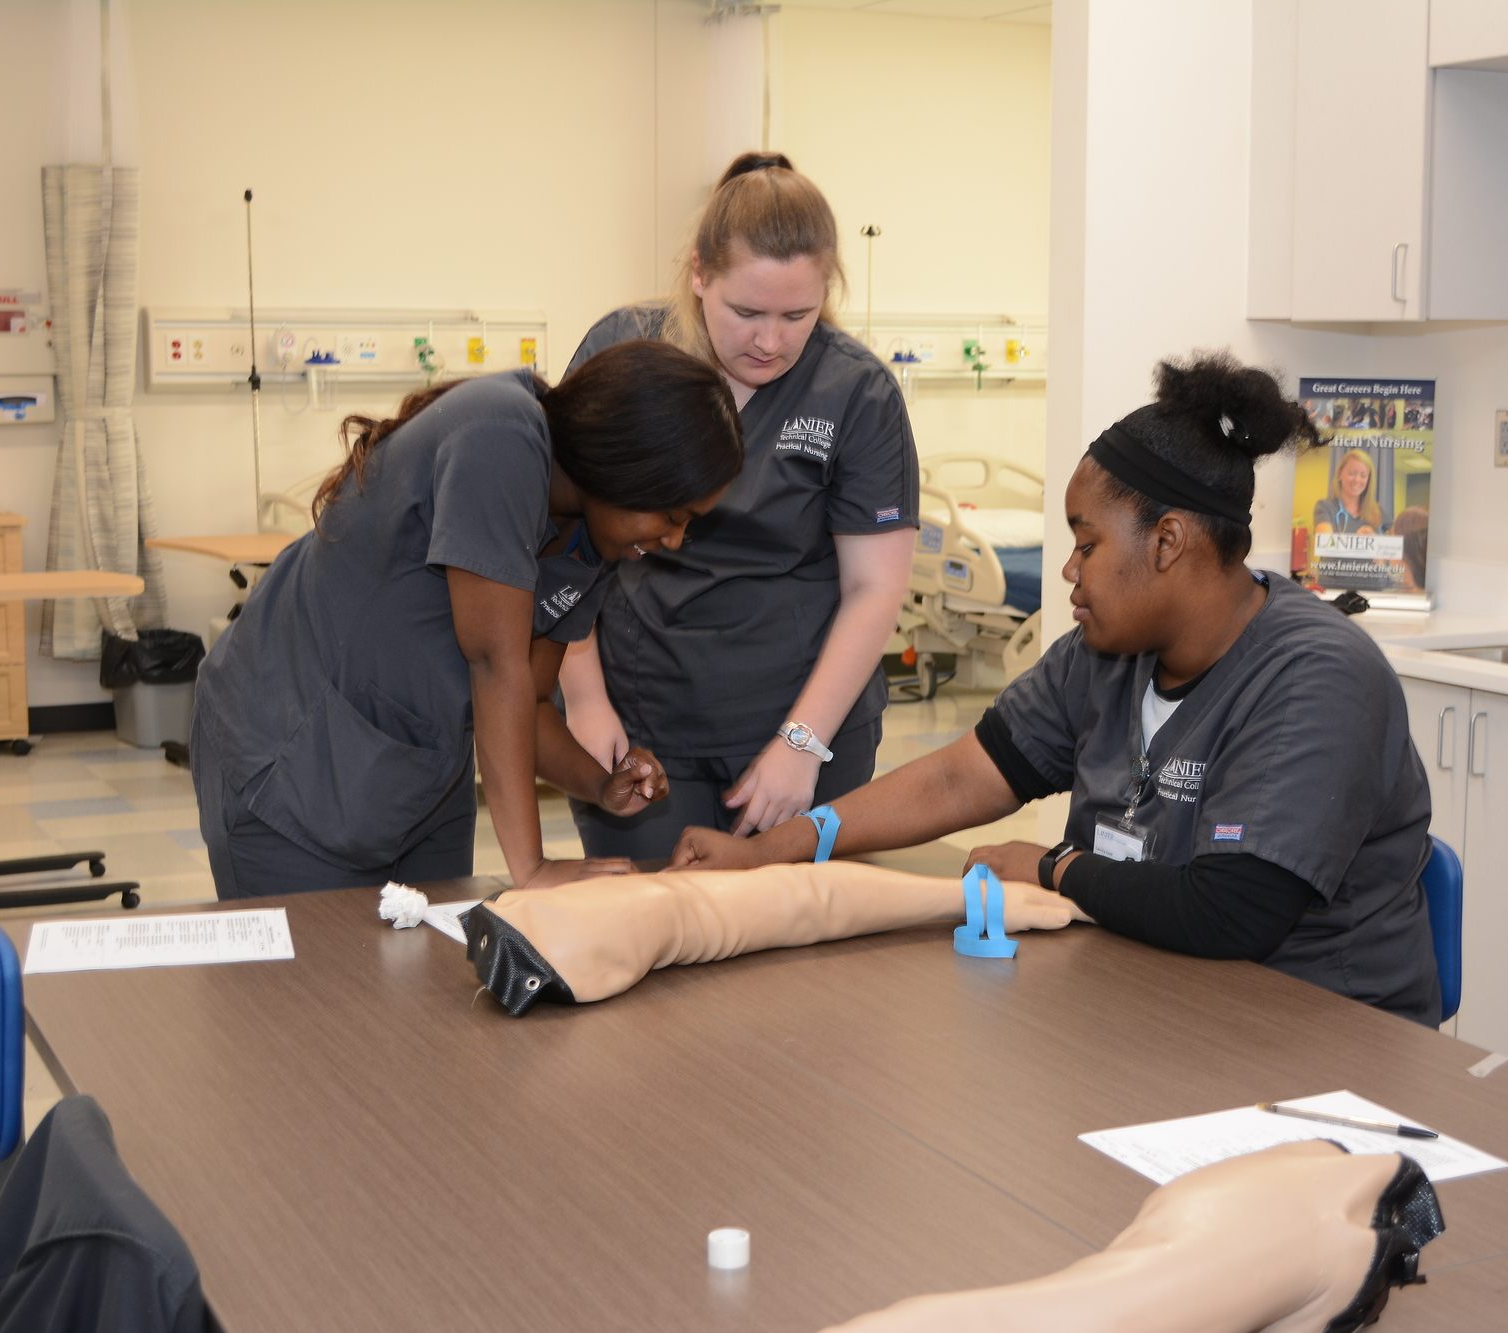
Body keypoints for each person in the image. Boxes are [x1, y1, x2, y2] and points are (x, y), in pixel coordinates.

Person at [673, 351, 1441, 1025]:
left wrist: (1053, 866)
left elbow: (1231, 913)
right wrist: (777, 847)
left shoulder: (1316, 677)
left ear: (1168, 542)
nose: (1070, 572)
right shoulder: (1104, 657)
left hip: (1312, 1031)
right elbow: (958, 775)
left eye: (1087, 543)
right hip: (1144, 994)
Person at [191, 342, 743, 899]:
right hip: (290, 756)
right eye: (671, 516)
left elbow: (527, 702)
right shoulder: (501, 436)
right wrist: (532, 868)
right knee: (311, 978)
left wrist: (601, 784)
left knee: (428, 970)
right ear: (621, 464)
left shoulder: (591, 539)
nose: (672, 540)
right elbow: (494, 663)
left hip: (418, 778)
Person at [557, 151, 918, 860]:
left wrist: (802, 743)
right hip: (644, 715)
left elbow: (874, 587)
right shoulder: (626, 348)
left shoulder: (856, 392)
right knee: (660, 928)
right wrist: (585, 697)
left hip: (807, 718)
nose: (770, 340)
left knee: (803, 942)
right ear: (699, 274)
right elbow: (558, 537)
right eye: (746, 311)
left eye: (797, 315)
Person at [1312, 447, 1382, 536]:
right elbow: (1325, 544)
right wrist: (1356, 540)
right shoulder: (1325, 507)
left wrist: (1375, 539)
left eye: (1363, 475)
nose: (1357, 480)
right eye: (1352, 473)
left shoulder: (1375, 511)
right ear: (1340, 474)